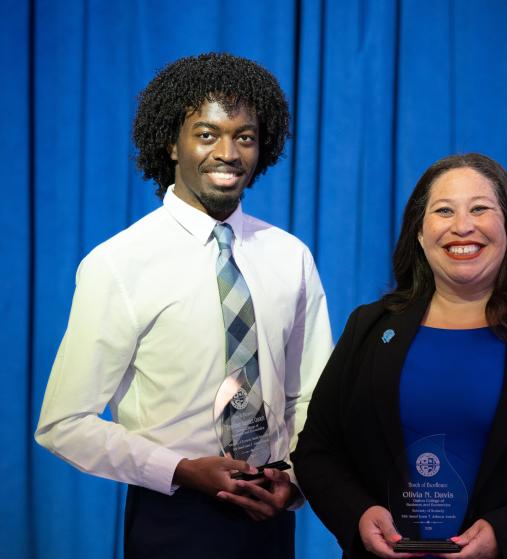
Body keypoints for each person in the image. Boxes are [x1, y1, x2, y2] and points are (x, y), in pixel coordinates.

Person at [35, 52, 332, 558]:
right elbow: (64, 423)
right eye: (207, 133)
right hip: (171, 517)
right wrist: (179, 470)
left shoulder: (291, 257)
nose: (229, 152)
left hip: (270, 517)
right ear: (172, 144)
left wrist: (296, 482)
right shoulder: (119, 263)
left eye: (245, 136)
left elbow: (312, 399)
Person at [291, 153, 507, 559]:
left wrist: (506, 534)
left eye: (480, 209)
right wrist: (357, 514)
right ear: (420, 234)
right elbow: (318, 449)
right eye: (443, 211)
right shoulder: (369, 327)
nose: (462, 226)